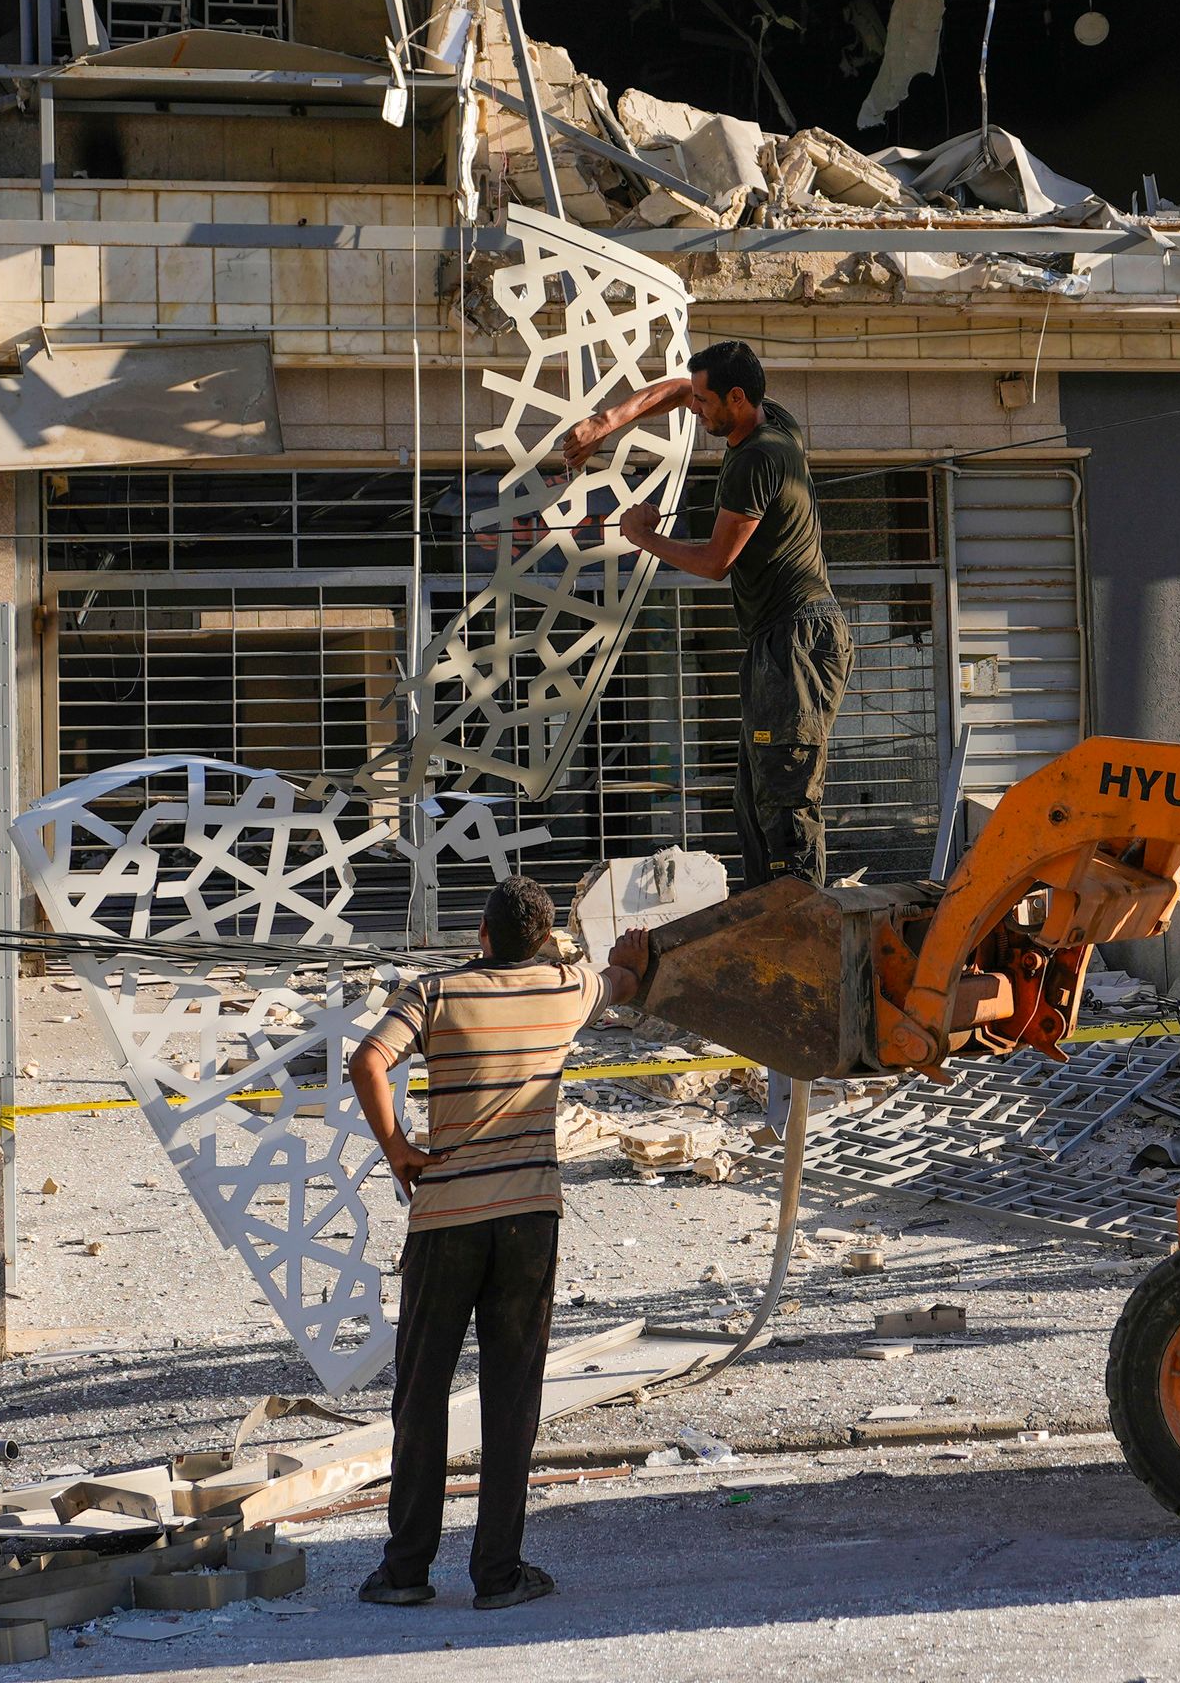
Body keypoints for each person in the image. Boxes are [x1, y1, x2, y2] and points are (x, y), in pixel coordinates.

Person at [347, 874, 650, 1614]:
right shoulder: (567, 988)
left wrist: (399, 1149)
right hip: (527, 1222)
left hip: (444, 1219)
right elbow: (621, 979)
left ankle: (406, 1570)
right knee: (511, 1399)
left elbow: (367, 1062)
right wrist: (633, 957)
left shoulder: (435, 991)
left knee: (421, 1396)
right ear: (545, 941)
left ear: (481, 936)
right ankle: (498, 1575)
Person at [553, 338, 851, 889]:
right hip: (779, 638)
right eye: (697, 398)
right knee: (752, 799)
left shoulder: (759, 458)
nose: (696, 409)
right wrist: (608, 421)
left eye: (706, 402)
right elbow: (677, 390)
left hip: (798, 639)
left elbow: (716, 562)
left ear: (737, 399)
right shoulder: (771, 420)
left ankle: (802, 929)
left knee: (783, 799)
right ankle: (766, 917)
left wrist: (643, 537)